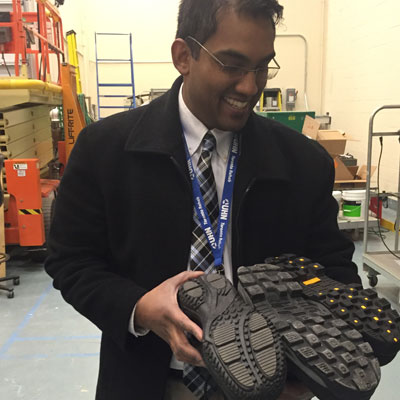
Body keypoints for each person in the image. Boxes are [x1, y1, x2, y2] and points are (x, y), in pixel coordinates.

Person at [45, 0, 361, 399]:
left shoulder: (303, 163)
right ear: (183, 56)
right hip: (146, 382)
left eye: (262, 66)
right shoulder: (105, 151)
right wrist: (139, 308)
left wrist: (311, 373)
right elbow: (71, 261)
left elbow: (333, 270)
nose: (250, 87)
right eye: (232, 65)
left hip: (269, 387)